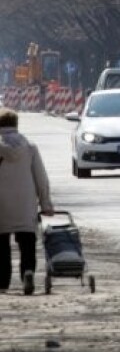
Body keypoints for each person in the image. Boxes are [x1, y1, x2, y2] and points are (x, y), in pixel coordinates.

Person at [0, 108, 54, 295]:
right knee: (27, 242)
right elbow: (40, 177)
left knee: (1, 245)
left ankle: (2, 281)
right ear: (16, 125)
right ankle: (28, 273)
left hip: (1, 205)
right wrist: (46, 204)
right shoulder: (30, 147)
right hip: (25, 203)